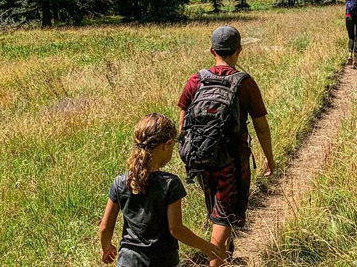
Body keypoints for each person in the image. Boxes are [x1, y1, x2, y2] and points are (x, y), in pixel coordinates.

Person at [178, 25, 276, 266]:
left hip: (201, 158)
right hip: (232, 161)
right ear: (239, 50)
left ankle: (224, 256)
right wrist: (269, 158)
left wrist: (188, 157)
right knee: (222, 216)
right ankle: (216, 261)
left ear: (212, 50)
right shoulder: (245, 83)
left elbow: (183, 124)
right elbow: (262, 127)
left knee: (215, 208)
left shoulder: (195, 80)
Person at [99, 113, 224, 266]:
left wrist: (106, 247)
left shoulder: (120, 182)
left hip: (128, 261)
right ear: (166, 144)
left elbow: (105, 227)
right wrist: (206, 247)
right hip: (162, 261)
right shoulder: (170, 184)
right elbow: (176, 229)